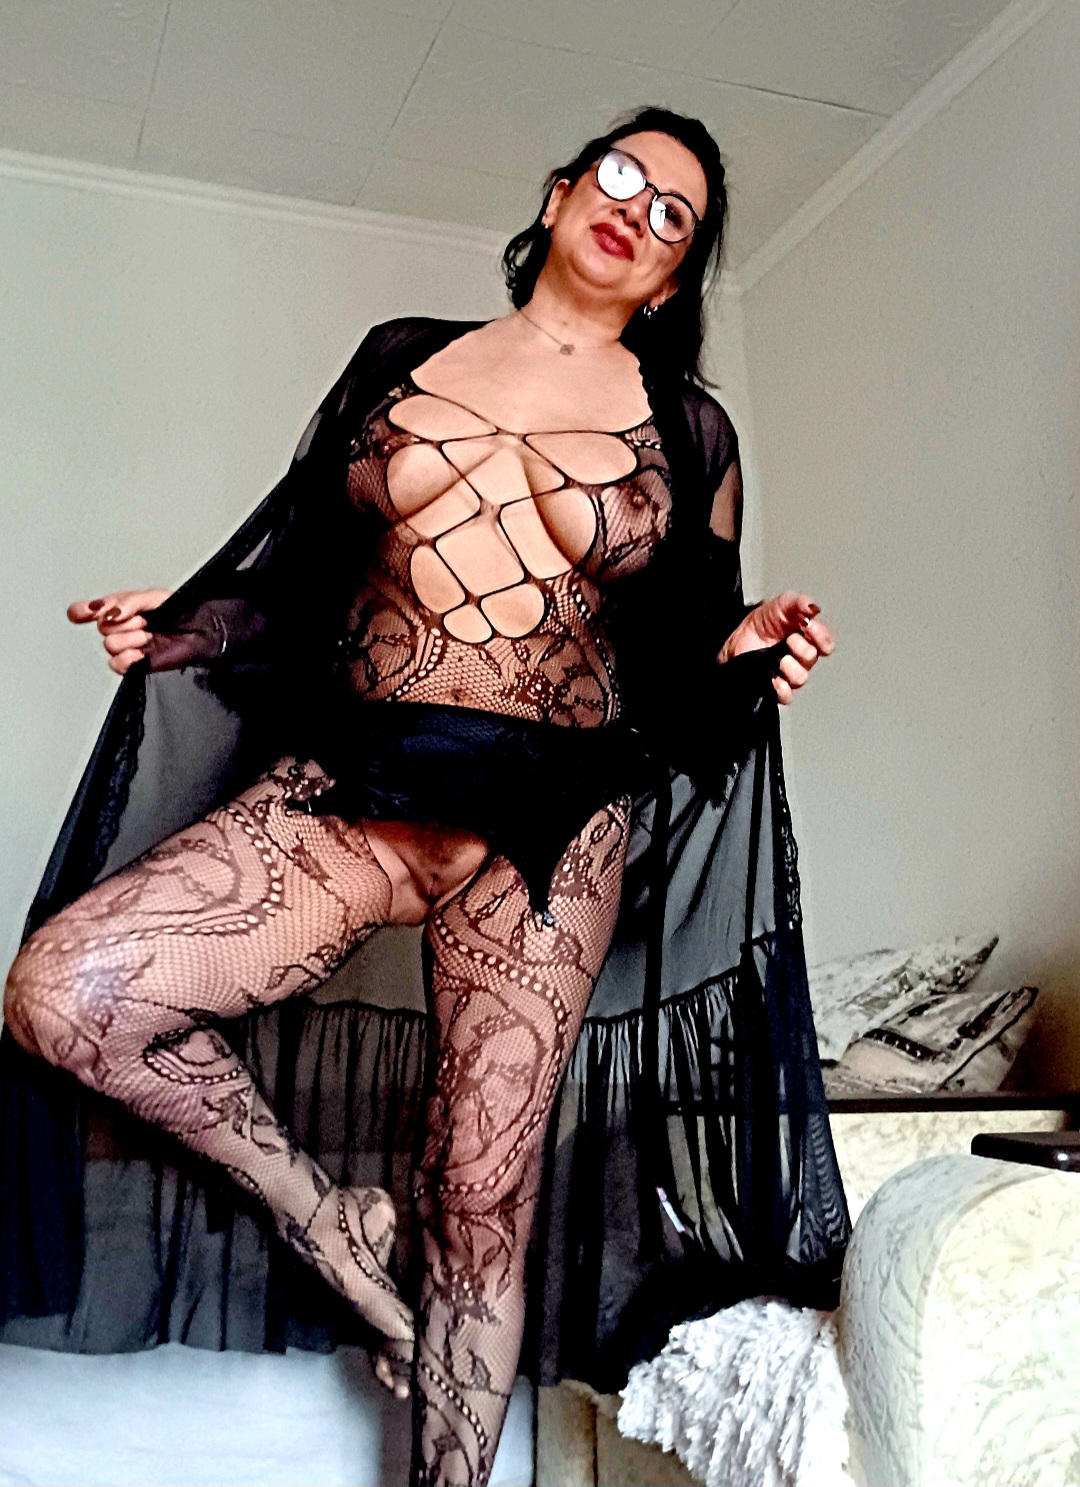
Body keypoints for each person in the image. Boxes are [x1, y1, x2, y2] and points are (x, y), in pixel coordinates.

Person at [2, 108, 848, 1487]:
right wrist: (189, 622)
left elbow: (685, 673)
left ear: (672, 279)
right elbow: (299, 568)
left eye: (674, 214)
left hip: (554, 828)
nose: (636, 209)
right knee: (62, 992)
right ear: (561, 193)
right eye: (620, 176)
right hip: (362, 780)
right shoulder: (403, 354)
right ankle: (324, 1221)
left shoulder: (691, 431)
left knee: (478, 1204)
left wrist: (748, 651)